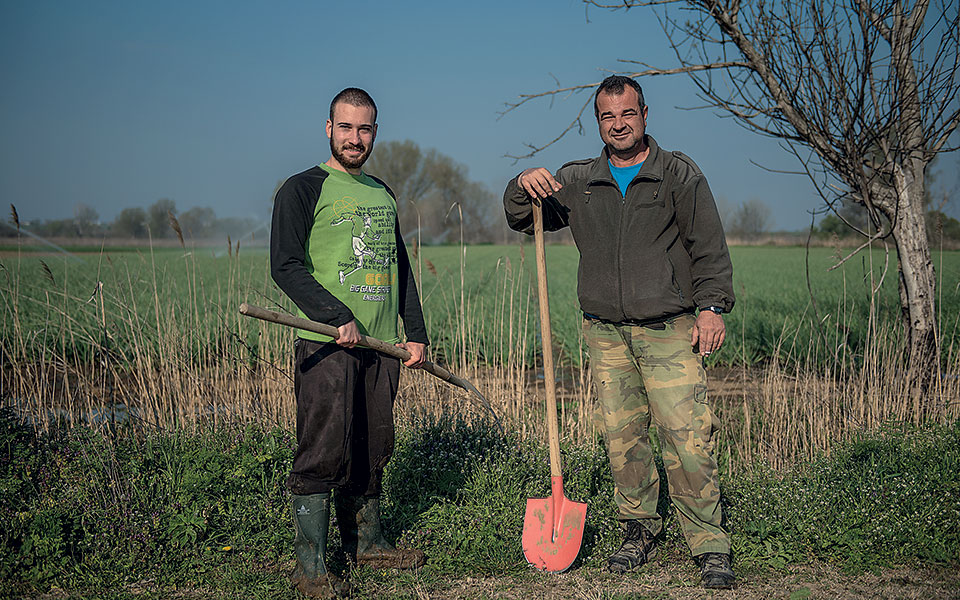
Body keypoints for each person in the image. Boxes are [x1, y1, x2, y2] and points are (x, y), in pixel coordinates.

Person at [503, 75, 737, 590]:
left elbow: (709, 246)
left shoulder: (677, 173)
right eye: (608, 117)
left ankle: (709, 542)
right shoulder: (580, 179)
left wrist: (711, 308)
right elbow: (522, 216)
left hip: (669, 327)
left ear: (645, 114)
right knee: (623, 439)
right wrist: (523, 185)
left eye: (627, 114)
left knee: (688, 436)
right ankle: (638, 530)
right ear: (599, 121)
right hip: (605, 331)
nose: (619, 124)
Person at [271, 87, 428, 598]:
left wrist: (416, 334)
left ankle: (369, 545)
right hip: (327, 346)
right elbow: (285, 266)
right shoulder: (301, 189)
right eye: (346, 127)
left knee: (372, 446)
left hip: (380, 348)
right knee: (322, 450)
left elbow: (399, 267)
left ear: (375, 132)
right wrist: (336, 315)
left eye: (365, 129)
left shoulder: (382, 192)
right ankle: (310, 570)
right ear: (328, 128)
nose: (355, 137)